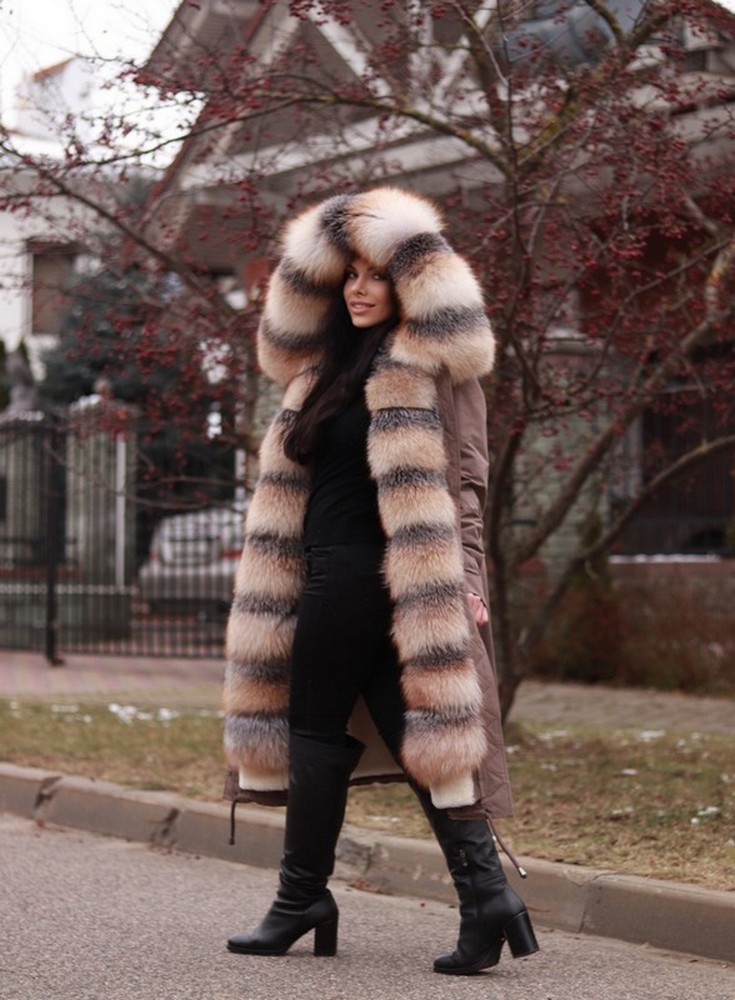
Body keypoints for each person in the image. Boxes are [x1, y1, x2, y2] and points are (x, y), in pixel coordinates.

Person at [222, 186, 539, 975]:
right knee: (413, 732)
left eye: (377, 276)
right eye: (349, 277)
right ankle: (486, 897)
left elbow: (466, 485)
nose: (359, 289)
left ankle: (301, 900)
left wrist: (467, 578)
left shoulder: (430, 368)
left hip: (367, 575)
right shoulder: (321, 370)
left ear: (409, 286)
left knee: (312, 729)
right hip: (323, 573)